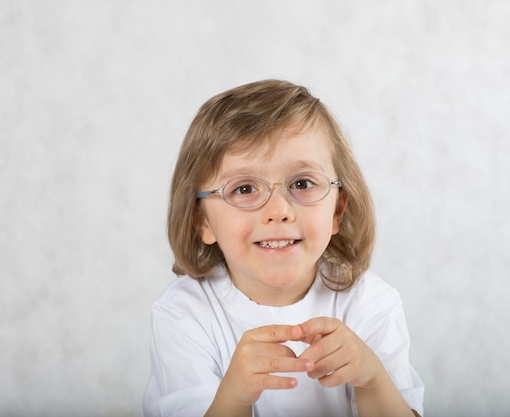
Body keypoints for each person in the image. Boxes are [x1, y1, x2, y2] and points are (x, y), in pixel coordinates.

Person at [143, 80, 424, 417]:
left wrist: (372, 380)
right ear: (201, 220)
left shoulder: (371, 303)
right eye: (244, 188)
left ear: (337, 210)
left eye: (302, 183)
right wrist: (233, 398)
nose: (279, 211)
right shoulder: (183, 314)